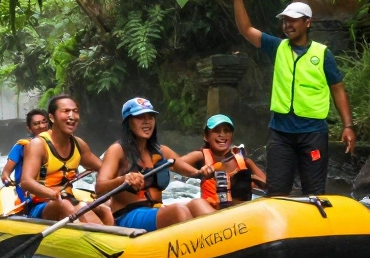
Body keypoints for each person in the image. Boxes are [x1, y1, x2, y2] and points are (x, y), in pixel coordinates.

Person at [227, 0, 356, 196]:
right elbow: (246, 30)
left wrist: (348, 126)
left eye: (293, 20)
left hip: (313, 132)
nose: (288, 25)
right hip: (281, 132)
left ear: (308, 23)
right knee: (276, 190)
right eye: (285, 21)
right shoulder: (277, 47)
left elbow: (338, 89)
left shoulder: (322, 54)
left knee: (314, 191)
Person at [96, 98, 215, 232]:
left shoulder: (160, 151)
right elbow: (100, 187)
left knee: (198, 203)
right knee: (178, 211)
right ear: (128, 122)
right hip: (128, 215)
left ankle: (222, 242)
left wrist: (203, 171)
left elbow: (193, 172)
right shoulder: (117, 150)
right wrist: (124, 179)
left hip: (156, 210)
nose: (147, 121)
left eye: (151, 117)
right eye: (140, 117)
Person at [16, 95, 113, 225]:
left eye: (75, 111)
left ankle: (111, 239)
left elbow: (103, 168)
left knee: (104, 210)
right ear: (51, 117)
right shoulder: (38, 145)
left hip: (68, 198)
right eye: (66, 111)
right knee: (64, 204)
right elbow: (26, 182)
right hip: (40, 205)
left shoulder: (79, 144)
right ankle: (97, 237)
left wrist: (105, 189)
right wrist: (53, 194)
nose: (72, 116)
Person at [178, 114, 266, 210]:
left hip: (240, 216)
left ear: (232, 136)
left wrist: (251, 179)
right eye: (216, 131)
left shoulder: (243, 160)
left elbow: (267, 185)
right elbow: (175, 164)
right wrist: (198, 172)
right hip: (211, 215)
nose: (222, 135)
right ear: (206, 137)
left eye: (227, 131)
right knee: (196, 204)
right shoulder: (200, 156)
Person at [1, 108, 49, 185]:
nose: (41, 126)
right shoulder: (21, 146)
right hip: (26, 190)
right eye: (36, 124)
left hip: (52, 188)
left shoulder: (57, 145)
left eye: (44, 122)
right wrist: (7, 180)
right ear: (29, 129)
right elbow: (5, 173)